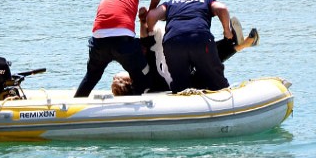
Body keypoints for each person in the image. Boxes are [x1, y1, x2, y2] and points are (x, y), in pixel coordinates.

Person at [111, 13, 259, 95]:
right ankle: (234, 43)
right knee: (203, 55)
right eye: (118, 77)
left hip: (184, 80)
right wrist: (143, 20)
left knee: (205, 58)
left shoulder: (148, 86)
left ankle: (240, 44)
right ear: (128, 81)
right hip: (182, 76)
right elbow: (145, 41)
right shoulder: (143, 75)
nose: (115, 75)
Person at [74, 0, 163, 97]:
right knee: (142, 76)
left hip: (98, 40)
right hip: (122, 41)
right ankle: (136, 107)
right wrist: (150, 12)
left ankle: (76, 102)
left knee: (92, 76)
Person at [145, 0, 238, 93]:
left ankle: (184, 102)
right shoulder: (206, 1)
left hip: (172, 42)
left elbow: (151, 16)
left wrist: (151, 32)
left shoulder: (169, 4)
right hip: (199, 38)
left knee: (180, 84)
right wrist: (227, 31)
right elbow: (221, 8)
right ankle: (224, 97)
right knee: (215, 78)